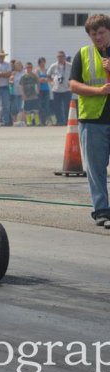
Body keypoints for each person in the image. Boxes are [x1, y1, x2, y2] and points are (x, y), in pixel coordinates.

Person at [70, 14, 110, 226]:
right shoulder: (83, 54)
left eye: (101, 33)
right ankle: (102, 210)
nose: (98, 37)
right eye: (93, 34)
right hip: (93, 120)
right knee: (95, 169)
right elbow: (74, 85)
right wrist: (98, 90)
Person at [47, 51, 72, 125]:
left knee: (67, 106)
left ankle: (67, 121)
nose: (60, 58)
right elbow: (48, 75)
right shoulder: (53, 66)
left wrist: (71, 83)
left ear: (64, 57)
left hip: (67, 89)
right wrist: (51, 82)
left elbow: (74, 75)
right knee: (57, 107)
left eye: (61, 56)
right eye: (58, 57)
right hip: (56, 89)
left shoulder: (70, 65)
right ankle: (59, 121)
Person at [0, 49, 12, 126]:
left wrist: (0, 74)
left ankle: (6, 121)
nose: (1, 57)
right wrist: (3, 74)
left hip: (5, 87)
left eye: (2, 56)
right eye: (0, 56)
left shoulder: (7, 64)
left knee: (6, 105)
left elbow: (9, 74)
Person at [20, 62, 41, 126]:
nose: (29, 69)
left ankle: (37, 121)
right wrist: (23, 94)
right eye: (27, 67)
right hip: (27, 95)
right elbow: (21, 85)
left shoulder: (34, 75)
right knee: (27, 110)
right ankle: (29, 122)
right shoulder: (23, 76)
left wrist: (38, 90)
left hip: (34, 95)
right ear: (25, 68)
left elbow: (38, 82)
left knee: (35, 109)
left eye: (30, 67)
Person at [35, 57, 51, 125]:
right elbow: (37, 79)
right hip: (40, 90)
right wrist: (44, 79)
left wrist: (43, 79)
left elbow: (49, 79)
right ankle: (41, 120)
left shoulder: (47, 70)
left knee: (46, 105)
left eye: (43, 62)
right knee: (40, 106)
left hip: (46, 89)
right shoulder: (37, 70)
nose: (42, 63)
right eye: (41, 62)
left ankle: (46, 120)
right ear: (39, 63)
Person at [9, 60, 25, 126]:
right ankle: (14, 122)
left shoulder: (24, 73)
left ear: (21, 66)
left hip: (22, 94)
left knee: (21, 108)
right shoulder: (13, 73)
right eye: (16, 65)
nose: (18, 66)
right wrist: (11, 80)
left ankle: (21, 122)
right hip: (14, 93)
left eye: (19, 64)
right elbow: (10, 82)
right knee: (14, 109)